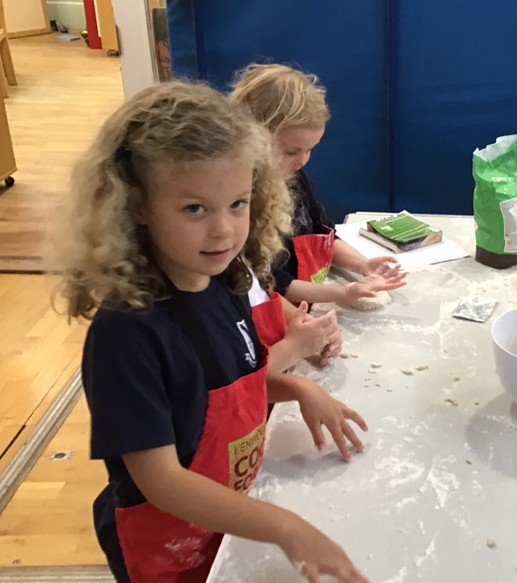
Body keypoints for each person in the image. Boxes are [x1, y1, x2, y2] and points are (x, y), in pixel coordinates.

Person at [55, 81, 369, 583]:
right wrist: (284, 527)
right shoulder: (127, 334)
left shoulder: (229, 283)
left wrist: (298, 388)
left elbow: (225, 391)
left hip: (226, 522)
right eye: (195, 208)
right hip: (165, 546)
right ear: (136, 205)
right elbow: (162, 481)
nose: (223, 230)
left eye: (238, 203)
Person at [231, 63, 406, 308]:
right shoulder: (239, 202)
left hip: (307, 301)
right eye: (290, 151)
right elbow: (270, 282)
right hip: (277, 312)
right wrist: (340, 295)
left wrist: (362, 265)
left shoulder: (296, 179)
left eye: (310, 149)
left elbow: (324, 234)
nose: (302, 161)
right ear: (252, 138)